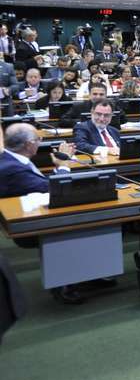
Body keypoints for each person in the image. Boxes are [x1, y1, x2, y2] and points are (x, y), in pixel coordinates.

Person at [0, 124, 90, 304]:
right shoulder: (12, 168)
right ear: (28, 144)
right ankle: (64, 284)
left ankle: (89, 274)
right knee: (82, 222)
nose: (40, 143)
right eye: (38, 139)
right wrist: (64, 165)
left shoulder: (12, 159)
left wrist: (59, 167)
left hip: (32, 213)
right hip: (28, 223)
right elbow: (53, 189)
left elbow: (41, 186)